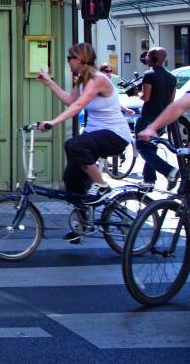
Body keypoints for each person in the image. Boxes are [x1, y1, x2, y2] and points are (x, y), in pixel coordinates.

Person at [36, 43, 131, 240]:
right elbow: (70, 101)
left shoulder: (98, 79)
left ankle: (101, 185)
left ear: (79, 59)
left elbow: (79, 105)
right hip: (94, 136)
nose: (68, 63)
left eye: (69, 58)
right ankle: (84, 224)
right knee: (71, 179)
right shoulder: (82, 81)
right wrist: (49, 82)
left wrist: (52, 122)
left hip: (115, 135)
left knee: (73, 144)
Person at [135, 47, 179, 190]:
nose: (145, 58)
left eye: (147, 55)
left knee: (142, 146)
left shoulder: (149, 74)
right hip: (162, 119)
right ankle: (148, 180)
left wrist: (137, 93)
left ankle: (168, 170)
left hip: (148, 117)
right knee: (151, 148)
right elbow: (171, 101)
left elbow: (146, 97)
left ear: (153, 57)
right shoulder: (172, 78)